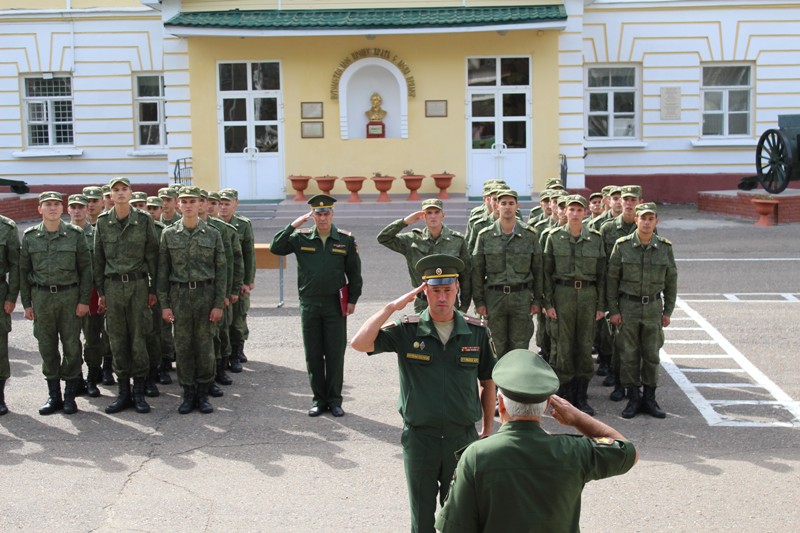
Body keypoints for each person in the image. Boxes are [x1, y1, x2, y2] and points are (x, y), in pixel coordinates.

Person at [351, 255, 496, 533]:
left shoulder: (476, 331)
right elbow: (359, 343)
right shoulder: (408, 329)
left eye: (447, 290)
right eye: (435, 290)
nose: (442, 297)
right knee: (421, 520)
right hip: (420, 440)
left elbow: (488, 381)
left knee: (460, 519)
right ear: (424, 291)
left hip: (461, 439)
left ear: (456, 289)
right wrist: (390, 308)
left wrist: (488, 429)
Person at [435, 349, 638, 533]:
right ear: (547, 405)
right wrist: (577, 418)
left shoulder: (477, 456)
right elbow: (628, 451)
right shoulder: (574, 451)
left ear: (501, 404)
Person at [270, 194, 362, 417]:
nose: (322, 218)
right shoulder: (301, 238)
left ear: (332, 214)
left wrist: (352, 299)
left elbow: (354, 273)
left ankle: (335, 400)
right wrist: (293, 225)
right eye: (318, 214)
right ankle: (319, 400)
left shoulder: (345, 240)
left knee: (335, 354)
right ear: (312, 216)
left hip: (334, 305)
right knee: (313, 354)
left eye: (326, 213)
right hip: (310, 303)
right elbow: (276, 247)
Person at [20, 192, 92, 415]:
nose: (52, 208)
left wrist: (84, 301)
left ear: (62, 209)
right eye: (48, 204)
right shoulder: (30, 236)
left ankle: (70, 395)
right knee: (47, 347)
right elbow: (23, 272)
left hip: (69, 296)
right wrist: (27, 304)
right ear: (39, 209)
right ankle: (54, 396)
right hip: (42, 298)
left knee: (72, 346)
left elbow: (86, 270)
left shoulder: (75, 234)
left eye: (56, 204)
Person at [94, 176, 159, 414]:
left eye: (124, 189)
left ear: (131, 193)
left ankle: (139, 392)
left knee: (139, 337)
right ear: (110, 195)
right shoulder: (103, 222)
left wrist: (153, 289)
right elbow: (98, 258)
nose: (120, 193)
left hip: (138, 286)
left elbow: (153, 256)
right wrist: (101, 292)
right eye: (116, 190)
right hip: (113, 287)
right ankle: (123, 393)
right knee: (117, 339)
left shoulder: (143, 220)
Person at [158, 186, 226, 414]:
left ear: (201, 204)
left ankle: (203, 393)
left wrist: (218, 304)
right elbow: (163, 272)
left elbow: (221, 271)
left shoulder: (213, 234)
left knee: (205, 346)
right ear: (178, 204)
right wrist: (165, 305)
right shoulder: (168, 234)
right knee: (183, 346)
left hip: (205, 295)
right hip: (180, 296)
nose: (188, 206)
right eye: (184, 202)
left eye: (193, 201)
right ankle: (188, 393)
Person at [607, 202, 677, 419]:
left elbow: (671, 281)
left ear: (656, 222)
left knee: (651, 354)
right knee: (629, 354)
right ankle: (633, 398)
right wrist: (613, 310)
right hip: (628, 307)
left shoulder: (664, 247)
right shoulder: (622, 245)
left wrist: (668, 311)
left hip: (653, 307)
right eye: (643, 218)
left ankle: (649, 398)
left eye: (650, 219)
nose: (646, 223)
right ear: (636, 220)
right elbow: (612, 280)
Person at [543, 195, 606, 416]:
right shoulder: (554, 237)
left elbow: (602, 274)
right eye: (572, 209)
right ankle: (565, 396)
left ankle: (582, 395)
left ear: (585, 212)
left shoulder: (595, 238)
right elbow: (546, 273)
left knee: (584, 345)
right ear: (565, 212)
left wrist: (601, 305)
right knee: (564, 346)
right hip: (563, 295)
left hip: (588, 295)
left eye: (580, 210)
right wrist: (548, 303)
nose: (576, 214)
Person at [472, 189, 542, 358]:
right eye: (503, 203)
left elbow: (538, 270)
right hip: (494, 298)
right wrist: (479, 301)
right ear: (497, 205)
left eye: (511, 203)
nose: (507, 207)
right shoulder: (485, 235)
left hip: (521, 298)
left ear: (517, 206)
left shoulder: (529, 235)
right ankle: (496, 376)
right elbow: (477, 271)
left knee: (520, 345)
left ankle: (517, 376)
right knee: (495, 345)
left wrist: (537, 300)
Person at [377, 198, 471, 313]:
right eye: (429, 213)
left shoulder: (457, 240)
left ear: (443, 215)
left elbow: (466, 275)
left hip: (449, 301)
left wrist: (464, 307)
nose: (433, 216)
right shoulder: (412, 239)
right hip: (423, 303)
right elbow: (383, 238)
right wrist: (405, 222)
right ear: (423, 216)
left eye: (437, 212)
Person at [67, 194, 102, 398]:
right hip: (69, 294)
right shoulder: (63, 234)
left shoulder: (97, 235)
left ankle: (92, 379)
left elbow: (101, 266)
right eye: (73, 207)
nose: (78, 211)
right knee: (71, 340)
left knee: (93, 340)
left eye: (81, 207)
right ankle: (76, 379)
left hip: (92, 293)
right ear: (68, 210)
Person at [218, 188, 255, 370]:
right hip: (221, 280)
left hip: (238, 280)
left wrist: (248, 281)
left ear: (235, 204)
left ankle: (237, 352)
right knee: (223, 319)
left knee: (238, 317)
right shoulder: (213, 225)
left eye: (227, 204)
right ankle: (223, 354)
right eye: (221, 203)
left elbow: (248, 255)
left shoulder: (243, 224)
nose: (223, 207)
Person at [0, 212, 20, 416]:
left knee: (0, 347)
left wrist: (12, 296)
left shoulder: (7, 227)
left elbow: (15, 264)